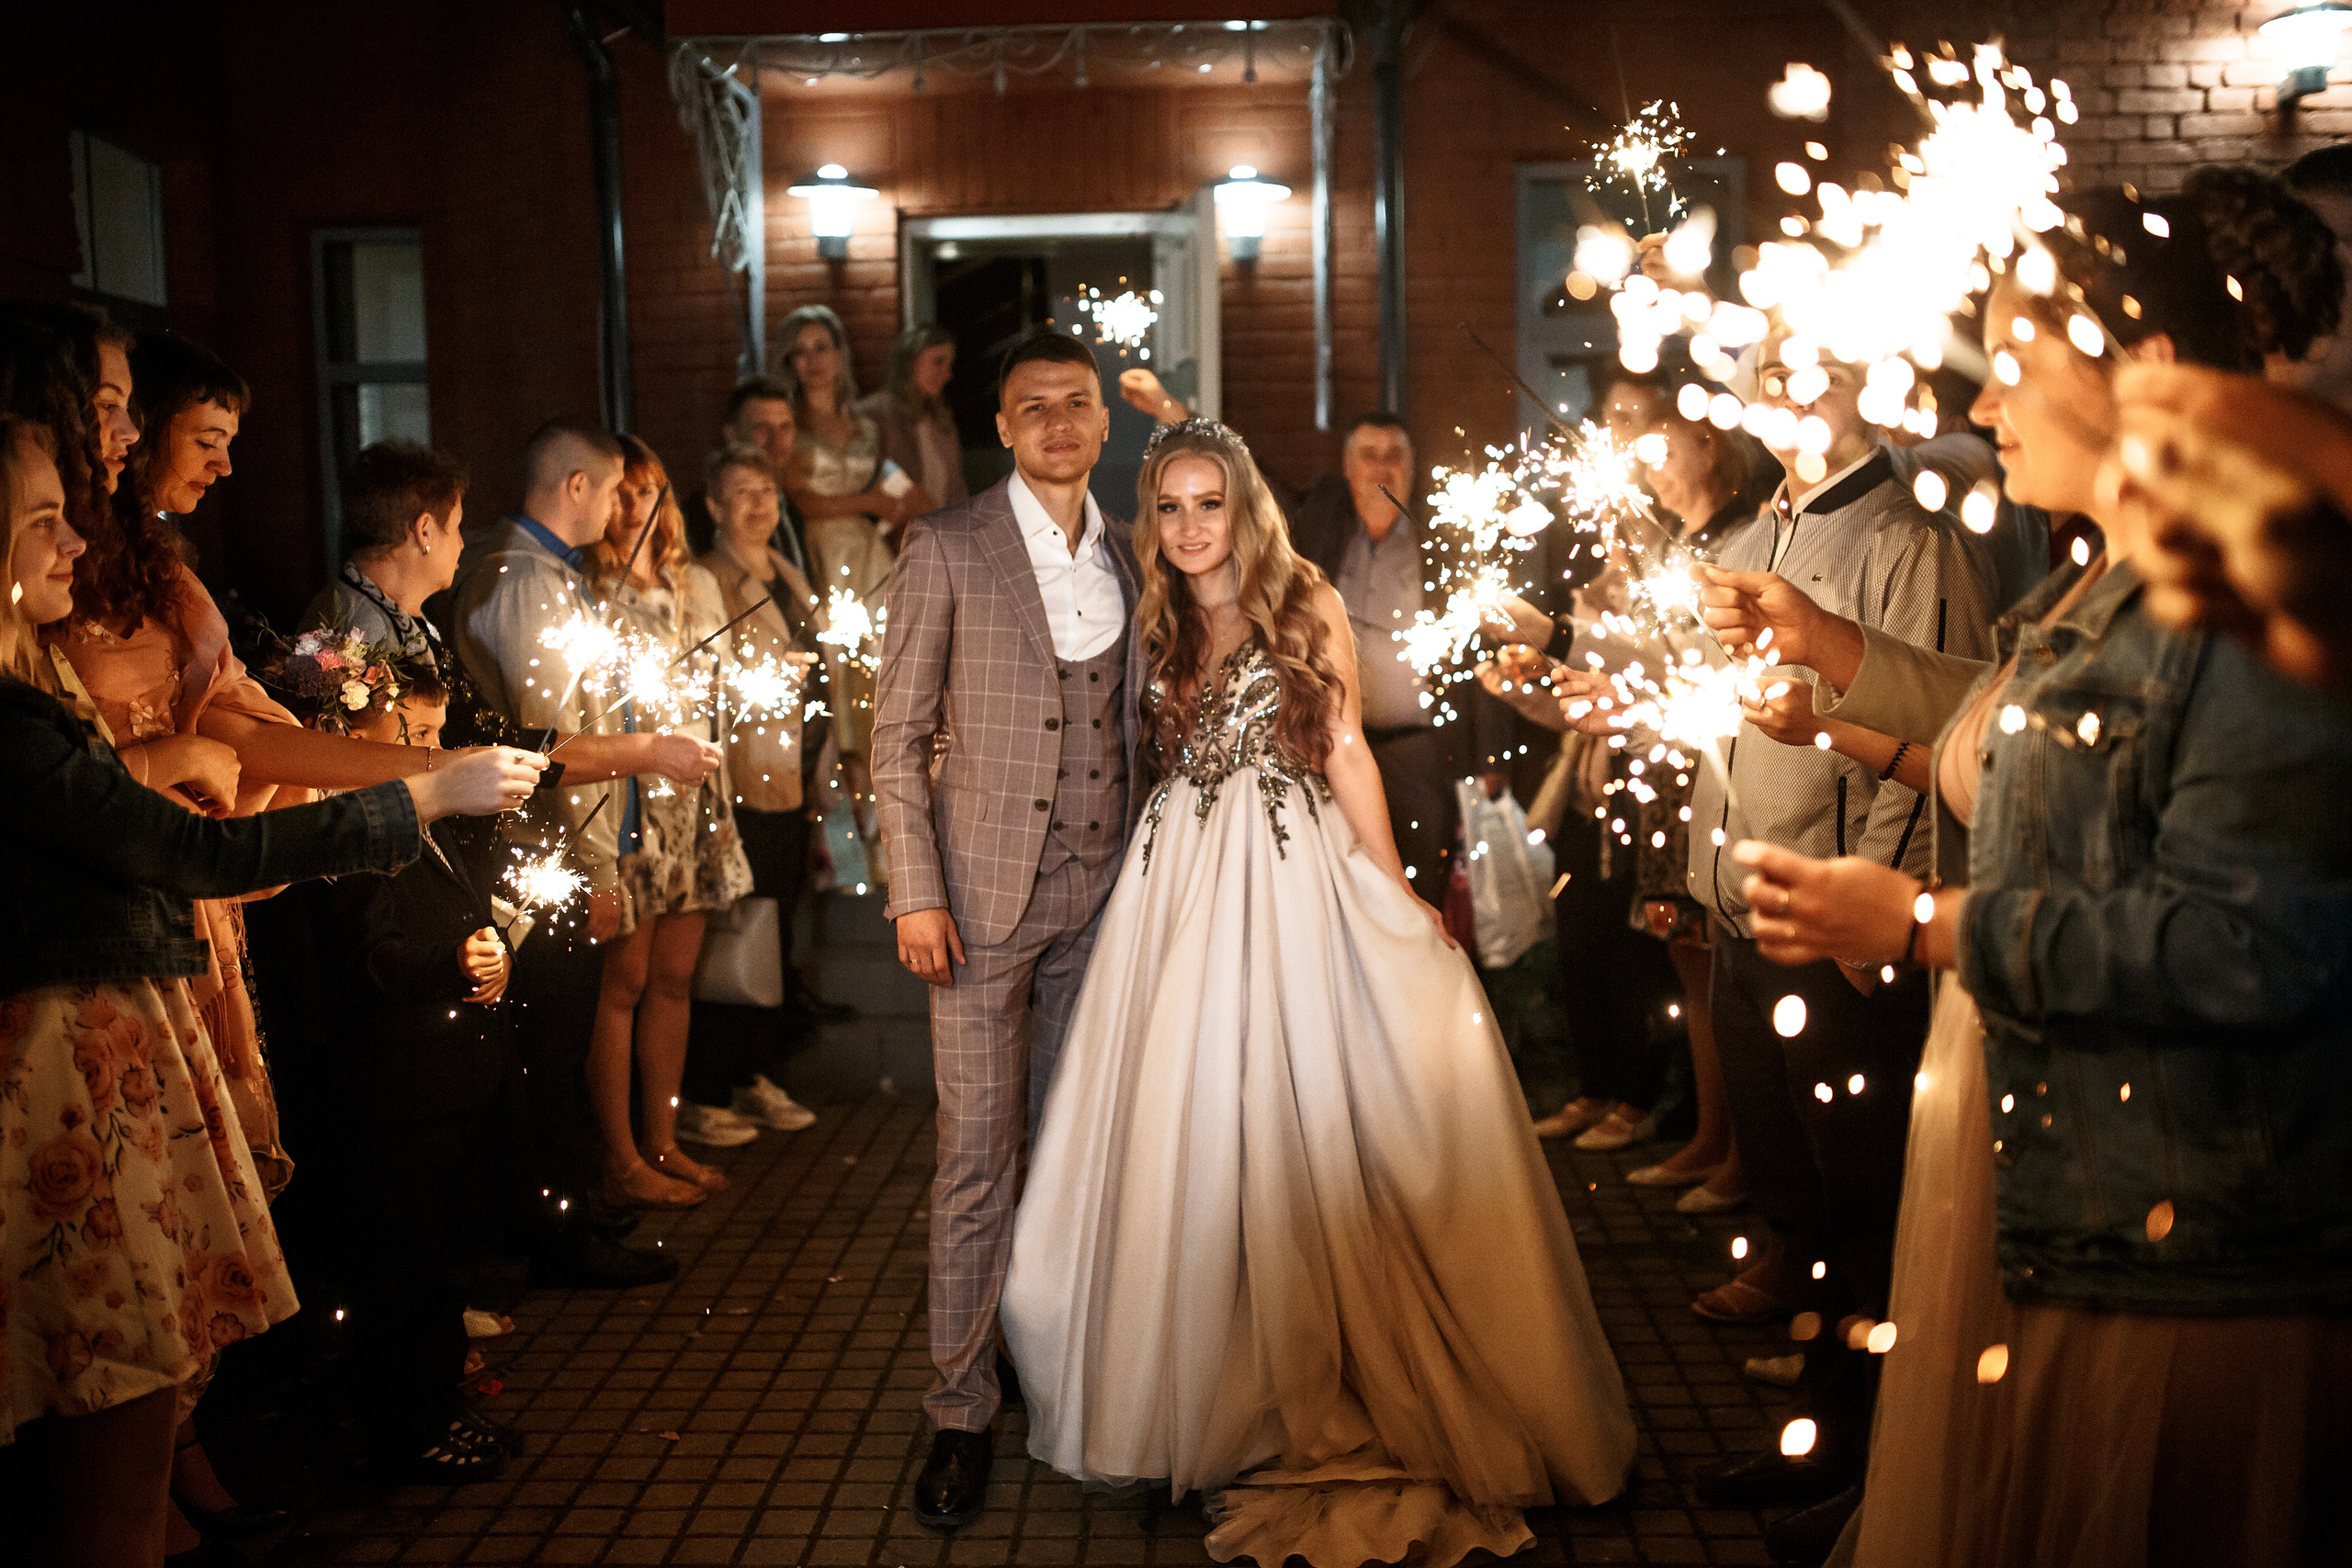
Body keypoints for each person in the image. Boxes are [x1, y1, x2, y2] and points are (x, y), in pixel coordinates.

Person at [1728, 185, 2352, 1568]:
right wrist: (1829, 654)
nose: (1983, 396)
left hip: (2181, 1225)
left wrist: (1928, 919)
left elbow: (2251, 945)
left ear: (2146, 368)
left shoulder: (2247, 593)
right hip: (2051, 1173)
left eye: (2018, 355)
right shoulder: (2092, 582)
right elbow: (1999, 746)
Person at [999, 418, 1637, 1567]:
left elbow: (1343, 748)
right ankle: (1207, 1373)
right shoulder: (1153, 614)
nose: (1191, 528)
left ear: (1244, 505)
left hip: (1286, 860)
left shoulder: (1305, 602)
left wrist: (1395, 895)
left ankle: (1312, 1366)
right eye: (1172, 507)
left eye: (1210, 503)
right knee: (1187, 1120)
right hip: (1174, 881)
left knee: (1304, 1104)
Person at [0, 413, 545, 1566]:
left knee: (140, 1375)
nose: (70, 548)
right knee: (109, 1383)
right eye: (43, 522)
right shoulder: (17, 726)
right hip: (61, 1066)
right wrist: (421, 796)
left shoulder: (40, 689)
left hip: (122, 1037)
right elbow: (202, 855)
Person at [1561, 323, 1999, 1514]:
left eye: (1807, 376)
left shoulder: (1910, 542)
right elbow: (1728, 714)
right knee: (1792, 1192)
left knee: (1863, 1206)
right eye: (1764, 378)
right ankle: (1817, 1422)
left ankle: (1861, 1462)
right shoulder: (1763, 536)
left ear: (1864, 387)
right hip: (1747, 907)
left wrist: (1884, 927)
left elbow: (1953, 749)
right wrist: (1611, 699)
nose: (1776, 396)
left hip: (1842, 933)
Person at [870, 330, 1148, 1529]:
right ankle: (959, 1408)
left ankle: (1069, 1374)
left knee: (1085, 1149)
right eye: (1032, 407)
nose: (1057, 423)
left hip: (1107, 897)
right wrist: (914, 890)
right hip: (978, 905)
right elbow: (892, 741)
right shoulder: (944, 545)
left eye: (1076, 404)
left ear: (1101, 420)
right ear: (1001, 425)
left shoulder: (1135, 552)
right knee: (978, 1162)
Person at [445, 418, 722, 1288]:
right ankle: (563, 1230)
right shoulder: (526, 583)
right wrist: (599, 860)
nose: (616, 507)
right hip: (542, 849)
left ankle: (569, 1212)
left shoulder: (541, 575)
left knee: (558, 1037)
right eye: (609, 490)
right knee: (554, 1041)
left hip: (560, 842)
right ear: (575, 487)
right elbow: (547, 744)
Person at [1483, 404, 1766, 1203]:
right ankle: (1719, 1136)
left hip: (1715, 779)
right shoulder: (1679, 550)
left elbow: (1683, 671)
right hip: (1665, 781)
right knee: (1693, 965)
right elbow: (1643, 674)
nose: (1644, 463)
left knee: (1726, 971)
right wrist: (1553, 664)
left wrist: (1562, 638)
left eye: (1657, 445)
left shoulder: (1735, 547)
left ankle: (1744, 1154)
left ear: (1711, 444)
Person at [266, 668, 524, 1482]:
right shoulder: (349, 832)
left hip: (444, 1079)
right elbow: (370, 963)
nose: (431, 752)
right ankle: (406, 1428)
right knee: (401, 1269)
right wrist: (449, 965)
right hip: (391, 1086)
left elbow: (461, 917)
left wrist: (492, 958)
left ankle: (439, 1399)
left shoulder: (432, 818)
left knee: (440, 1260)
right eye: (410, 736)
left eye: (436, 736)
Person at [577, 436, 755, 1201]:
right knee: (626, 977)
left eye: (645, 492)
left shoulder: (694, 586)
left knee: (676, 977)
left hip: (695, 807)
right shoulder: (588, 588)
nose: (632, 507)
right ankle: (618, 1155)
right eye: (620, 492)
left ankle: (662, 1138)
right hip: (632, 803)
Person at [686, 445, 824, 1137]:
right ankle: (708, 1086)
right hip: (742, 781)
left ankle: (750, 1071)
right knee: (733, 931)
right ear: (713, 505)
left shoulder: (787, 570)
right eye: (740, 492)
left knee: (774, 929)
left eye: (767, 490)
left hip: (793, 779)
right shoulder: (711, 576)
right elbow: (709, 684)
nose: (758, 503)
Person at [1285, 412, 1456, 903]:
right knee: (1338, 884)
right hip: (1329, 747)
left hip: (1415, 749)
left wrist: (1489, 761)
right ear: (1347, 466)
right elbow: (1260, 481)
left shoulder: (1439, 543)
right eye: (1369, 456)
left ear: (1413, 467)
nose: (1382, 468)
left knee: (1420, 881)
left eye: (1394, 456)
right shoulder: (1320, 534)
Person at [782, 305, 915, 852]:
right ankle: (838, 832)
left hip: (867, 556)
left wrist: (890, 513)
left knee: (879, 671)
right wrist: (868, 501)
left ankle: (888, 820)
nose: (813, 361)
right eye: (801, 351)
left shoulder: (865, 424)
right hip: (817, 556)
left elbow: (898, 490)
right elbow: (798, 498)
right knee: (831, 678)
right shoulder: (789, 425)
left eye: (822, 348)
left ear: (840, 356)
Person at [684, 373, 811, 575]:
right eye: (762, 428)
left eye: (784, 427)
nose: (776, 440)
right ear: (731, 434)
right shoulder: (699, 516)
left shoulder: (791, 513)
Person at [860, 323, 967, 512]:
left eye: (949, 364)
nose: (947, 375)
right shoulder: (876, 413)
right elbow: (867, 470)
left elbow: (956, 489)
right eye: (939, 362)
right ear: (910, 361)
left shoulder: (941, 421)